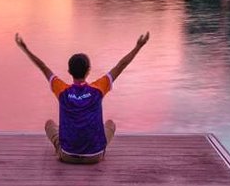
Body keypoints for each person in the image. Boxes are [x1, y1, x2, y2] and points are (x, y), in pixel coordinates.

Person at [14, 31, 150, 163]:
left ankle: (62, 148)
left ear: (69, 71)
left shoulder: (62, 90)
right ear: (89, 70)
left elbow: (43, 67)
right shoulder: (98, 89)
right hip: (95, 156)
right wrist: (139, 46)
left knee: (50, 124)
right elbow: (121, 65)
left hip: (67, 155)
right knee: (110, 124)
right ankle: (91, 144)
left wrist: (24, 49)